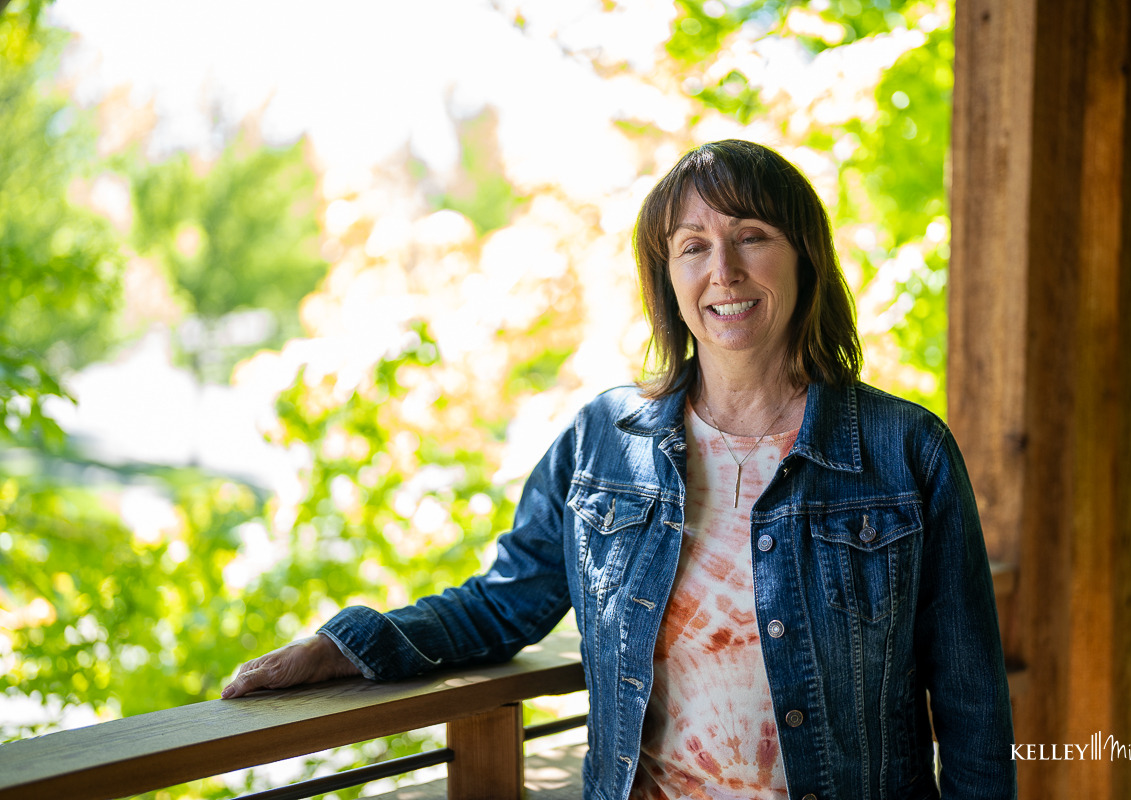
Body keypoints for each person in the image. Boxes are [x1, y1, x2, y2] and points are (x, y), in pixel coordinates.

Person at [223, 140, 1016, 799]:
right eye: (694, 246)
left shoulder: (902, 449)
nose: (724, 271)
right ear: (668, 280)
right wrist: (350, 644)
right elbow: (501, 606)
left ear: (804, 257)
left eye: (752, 236)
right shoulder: (605, 441)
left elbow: (974, 706)